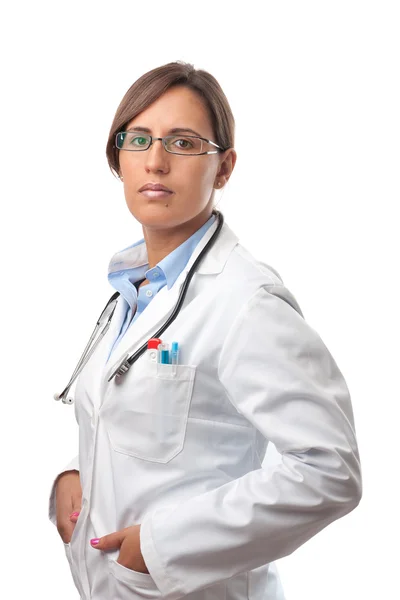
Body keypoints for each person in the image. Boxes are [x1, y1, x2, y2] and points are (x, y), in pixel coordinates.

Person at [49, 60, 362, 600]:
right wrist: (71, 475)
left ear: (224, 168)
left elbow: (330, 471)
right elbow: (158, 430)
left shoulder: (245, 301)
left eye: (184, 142)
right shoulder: (133, 290)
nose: (156, 160)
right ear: (117, 159)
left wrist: (160, 548)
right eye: (139, 138)